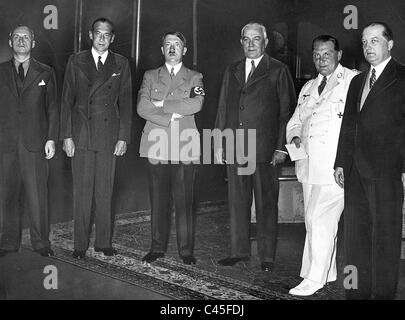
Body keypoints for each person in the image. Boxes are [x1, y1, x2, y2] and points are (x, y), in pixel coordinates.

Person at [214, 22, 296, 271]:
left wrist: (281, 148)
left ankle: (267, 256)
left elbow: (287, 112)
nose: (251, 44)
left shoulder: (278, 70)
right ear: (241, 41)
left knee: (266, 204)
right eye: (246, 39)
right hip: (238, 147)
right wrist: (219, 143)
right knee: (237, 202)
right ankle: (238, 252)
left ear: (265, 42)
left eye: (256, 39)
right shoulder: (233, 70)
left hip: (264, 150)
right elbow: (222, 108)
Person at [334, 21, 405, 299]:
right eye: (364, 42)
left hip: (387, 172)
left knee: (386, 238)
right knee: (356, 236)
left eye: (374, 41)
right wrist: (341, 161)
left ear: (390, 44)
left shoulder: (402, 77)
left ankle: (384, 293)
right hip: (355, 171)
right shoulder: (357, 81)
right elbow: (349, 125)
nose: (368, 47)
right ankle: (358, 292)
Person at [286, 35, 358, 296]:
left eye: (327, 54)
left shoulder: (352, 80)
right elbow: (295, 121)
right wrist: (294, 136)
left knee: (320, 220)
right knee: (312, 221)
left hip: (334, 167)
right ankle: (325, 273)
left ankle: (314, 278)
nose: (321, 59)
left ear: (339, 55)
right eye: (316, 55)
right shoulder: (308, 87)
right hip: (308, 165)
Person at [60, 17, 132, 259]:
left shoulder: (121, 63)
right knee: (82, 191)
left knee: (105, 190)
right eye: (98, 34)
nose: (102, 38)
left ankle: (103, 242)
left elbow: (126, 102)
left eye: (107, 34)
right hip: (81, 134)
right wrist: (66, 135)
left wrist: (123, 137)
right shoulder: (75, 60)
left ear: (112, 38)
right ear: (90, 35)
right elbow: (66, 100)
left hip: (109, 134)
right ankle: (80, 245)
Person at [137, 31, 204, 265]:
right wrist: (173, 113)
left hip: (185, 145)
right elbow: (142, 107)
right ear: (162, 50)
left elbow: (196, 104)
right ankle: (157, 247)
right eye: (168, 44)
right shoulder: (150, 76)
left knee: (184, 201)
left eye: (177, 44)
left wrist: (161, 104)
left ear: (185, 50)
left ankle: (186, 250)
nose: (172, 48)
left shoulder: (195, 77)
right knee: (158, 199)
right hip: (156, 143)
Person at [0, 25, 58, 257]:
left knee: (37, 196)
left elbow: (53, 108)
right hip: (6, 144)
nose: (21, 40)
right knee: (8, 194)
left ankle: (41, 242)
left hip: (35, 142)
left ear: (33, 43)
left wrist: (52, 139)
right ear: (10, 42)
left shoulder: (46, 71)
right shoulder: (0, 71)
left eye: (26, 37)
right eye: (17, 37)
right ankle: (8, 242)